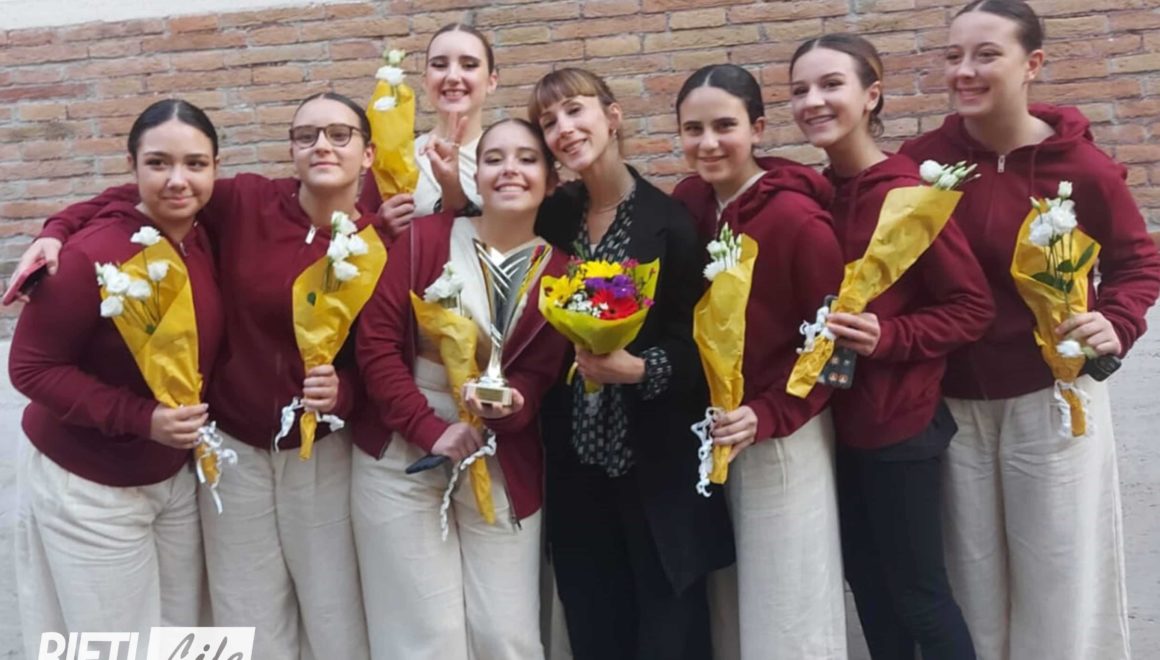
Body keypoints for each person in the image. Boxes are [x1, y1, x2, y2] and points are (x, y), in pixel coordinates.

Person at [19, 92, 376, 658]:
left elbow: (378, 356)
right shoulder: (239, 205)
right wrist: (56, 228)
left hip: (209, 469)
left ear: (368, 152)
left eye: (340, 134)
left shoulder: (373, 240)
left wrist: (345, 391)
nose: (178, 180)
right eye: (306, 134)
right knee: (141, 635)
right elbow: (31, 365)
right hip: (152, 464)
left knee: (193, 630)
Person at [900, 2, 1160, 658]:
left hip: (1054, 401)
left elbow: (1138, 262)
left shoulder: (1082, 168)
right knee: (970, 585)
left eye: (986, 54)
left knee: (1059, 581)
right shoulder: (922, 163)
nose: (964, 70)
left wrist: (1118, 320)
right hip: (952, 405)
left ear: (1032, 64)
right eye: (954, 55)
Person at [790, 35, 995, 659]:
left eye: (831, 85)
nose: (813, 101)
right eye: (799, 90)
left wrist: (891, 336)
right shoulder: (813, 195)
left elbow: (972, 308)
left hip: (899, 426)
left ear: (872, 95)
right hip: (829, 427)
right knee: (871, 595)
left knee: (918, 599)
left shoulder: (909, 195)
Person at [528, 67, 734, 660]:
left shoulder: (670, 223)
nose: (564, 129)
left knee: (669, 635)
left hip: (653, 468)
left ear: (612, 117)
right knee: (594, 629)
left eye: (575, 110)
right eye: (549, 121)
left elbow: (701, 344)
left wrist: (642, 369)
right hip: (576, 468)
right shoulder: (552, 217)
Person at [10, 99, 222, 658]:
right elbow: (30, 367)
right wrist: (142, 418)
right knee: (112, 645)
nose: (178, 179)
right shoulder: (88, 256)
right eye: (158, 163)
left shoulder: (203, 231)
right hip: (90, 482)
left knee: (181, 636)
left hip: (171, 479)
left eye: (195, 164)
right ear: (132, 167)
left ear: (215, 168)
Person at [353, 118, 570, 660]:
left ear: (551, 179)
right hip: (404, 453)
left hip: (500, 457)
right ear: (477, 174)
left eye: (527, 159)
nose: (510, 170)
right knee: (428, 636)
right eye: (494, 159)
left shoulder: (563, 273)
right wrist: (429, 428)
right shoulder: (426, 239)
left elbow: (538, 377)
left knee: (507, 636)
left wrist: (511, 405)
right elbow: (376, 344)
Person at [671, 63, 848, 659]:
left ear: (758, 128)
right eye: (693, 129)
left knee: (787, 606)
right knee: (730, 607)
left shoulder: (797, 219)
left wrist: (771, 413)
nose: (708, 143)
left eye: (725, 126)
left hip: (783, 436)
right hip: (713, 434)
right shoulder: (691, 205)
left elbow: (837, 348)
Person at [360, 22, 498, 236]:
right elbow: (360, 239)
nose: (453, 77)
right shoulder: (393, 160)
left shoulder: (510, 158)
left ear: (491, 81)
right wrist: (381, 227)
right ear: (425, 81)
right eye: (439, 65)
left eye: (469, 65)